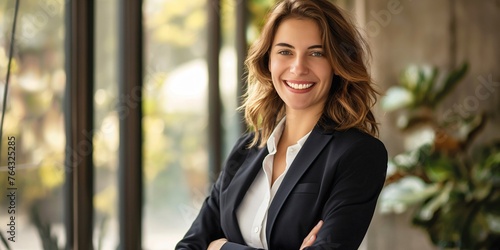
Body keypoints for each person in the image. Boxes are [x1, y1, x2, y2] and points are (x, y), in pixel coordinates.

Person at [176, 0, 387, 249]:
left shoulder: (359, 154)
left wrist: (221, 247)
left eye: (316, 53)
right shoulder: (247, 148)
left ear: (337, 64)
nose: (298, 67)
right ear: (268, 61)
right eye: (285, 51)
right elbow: (188, 246)